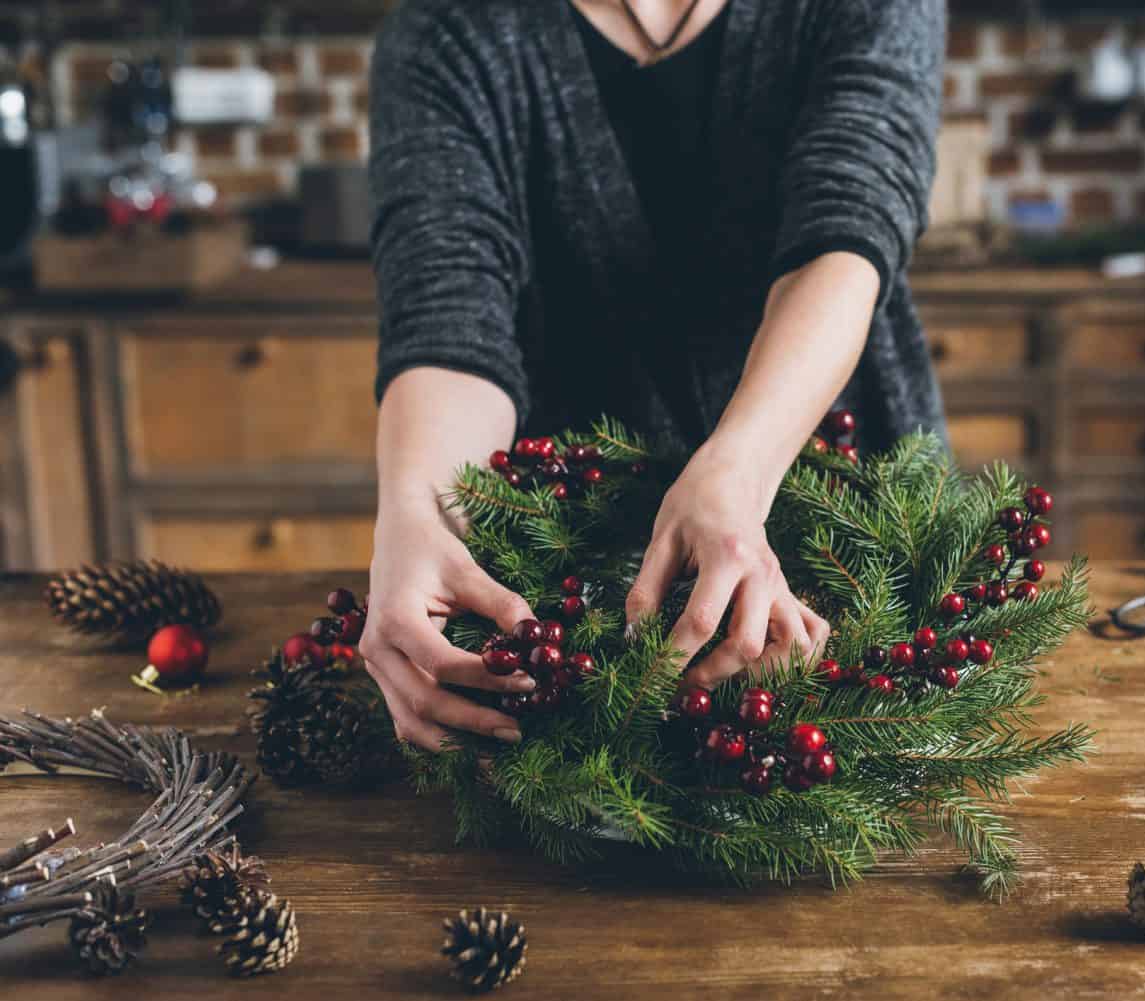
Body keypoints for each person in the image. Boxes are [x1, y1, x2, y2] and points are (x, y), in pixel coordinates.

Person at [361, 0, 947, 751]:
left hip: (851, 503)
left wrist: (734, 472)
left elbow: (849, 227)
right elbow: (449, 311)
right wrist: (419, 508)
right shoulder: (445, 30)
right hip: (575, 548)